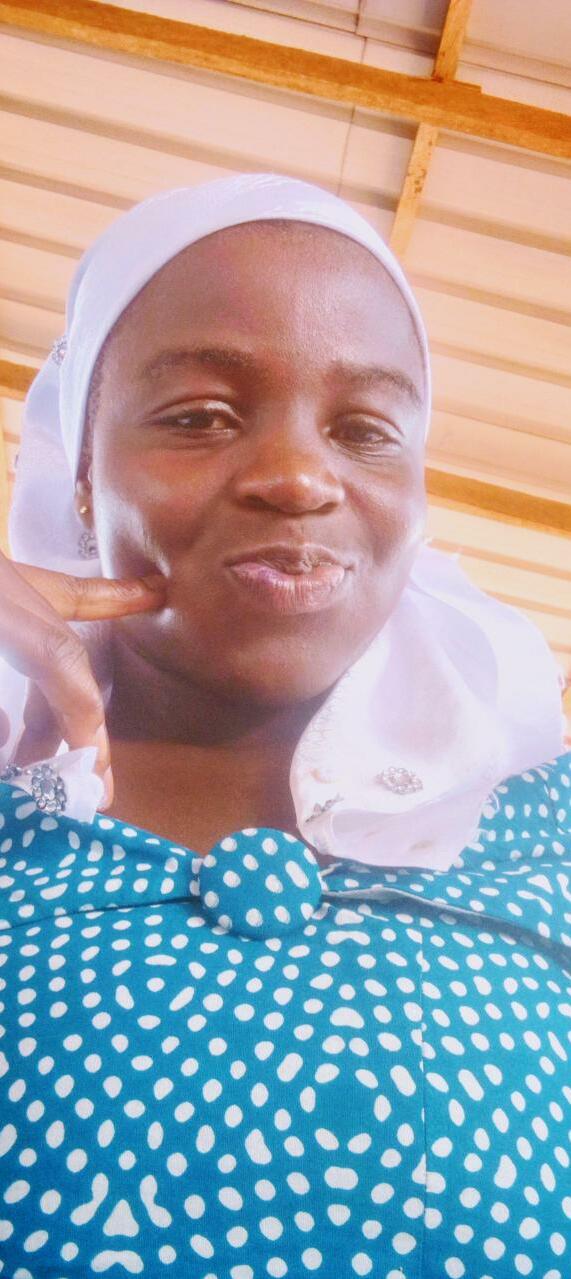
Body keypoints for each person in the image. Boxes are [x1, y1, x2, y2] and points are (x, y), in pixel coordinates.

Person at [0, 174, 569, 1279]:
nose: (300, 477)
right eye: (200, 416)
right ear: (82, 472)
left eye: (365, 430)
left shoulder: (546, 830)